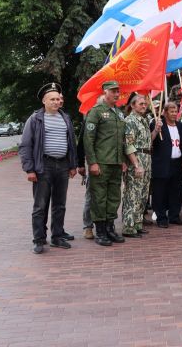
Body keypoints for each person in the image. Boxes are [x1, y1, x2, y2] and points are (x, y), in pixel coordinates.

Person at [19, 83, 77, 254]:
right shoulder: (35, 119)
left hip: (63, 165)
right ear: (44, 101)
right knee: (40, 205)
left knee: (60, 204)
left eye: (58, 99)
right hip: (43, 166)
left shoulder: (65, 118)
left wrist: (73, 165)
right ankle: (39, 239)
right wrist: (29, 169)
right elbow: (25, 145)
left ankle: (57, 236)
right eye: (52, 99)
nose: (56, 101)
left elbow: (71, 143)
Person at [83, 80, 127, 247]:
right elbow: (88, 139)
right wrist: (92, 163)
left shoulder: (119, 113)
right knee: (99, 198)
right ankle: (100, 231)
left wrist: (122, 160)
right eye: (113, 91)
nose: (117, 94)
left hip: (115, 163)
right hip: (101, 163)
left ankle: (110, 227)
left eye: (118, 91)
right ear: (105, 92)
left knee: (114, 197)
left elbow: (122, 140)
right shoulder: (96, 112)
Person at [150, 102, 182, 228]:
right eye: (171, 111)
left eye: (175, 111)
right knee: (160, 191)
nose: (173, 114)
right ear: (165, 112)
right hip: (162, 163)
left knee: (176, 191)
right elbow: (149, 141)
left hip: (177, 162)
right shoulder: (157, 124)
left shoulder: (181, 126)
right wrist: (156, 129)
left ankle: (174, 216)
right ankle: (161, 217)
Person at [122, 94, 154, 238]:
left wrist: (156, 131)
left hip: (146, 158)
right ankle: (129, 227)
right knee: (132, 194)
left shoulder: (144, 120)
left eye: (144, 103)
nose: (144, 106)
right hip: (137, 159)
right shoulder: (130, 121)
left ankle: (137, 223)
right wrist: (136, 164)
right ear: (133, 105)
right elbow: (129, 144)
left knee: (143, 194)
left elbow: (147, 141)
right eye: (140, 103)